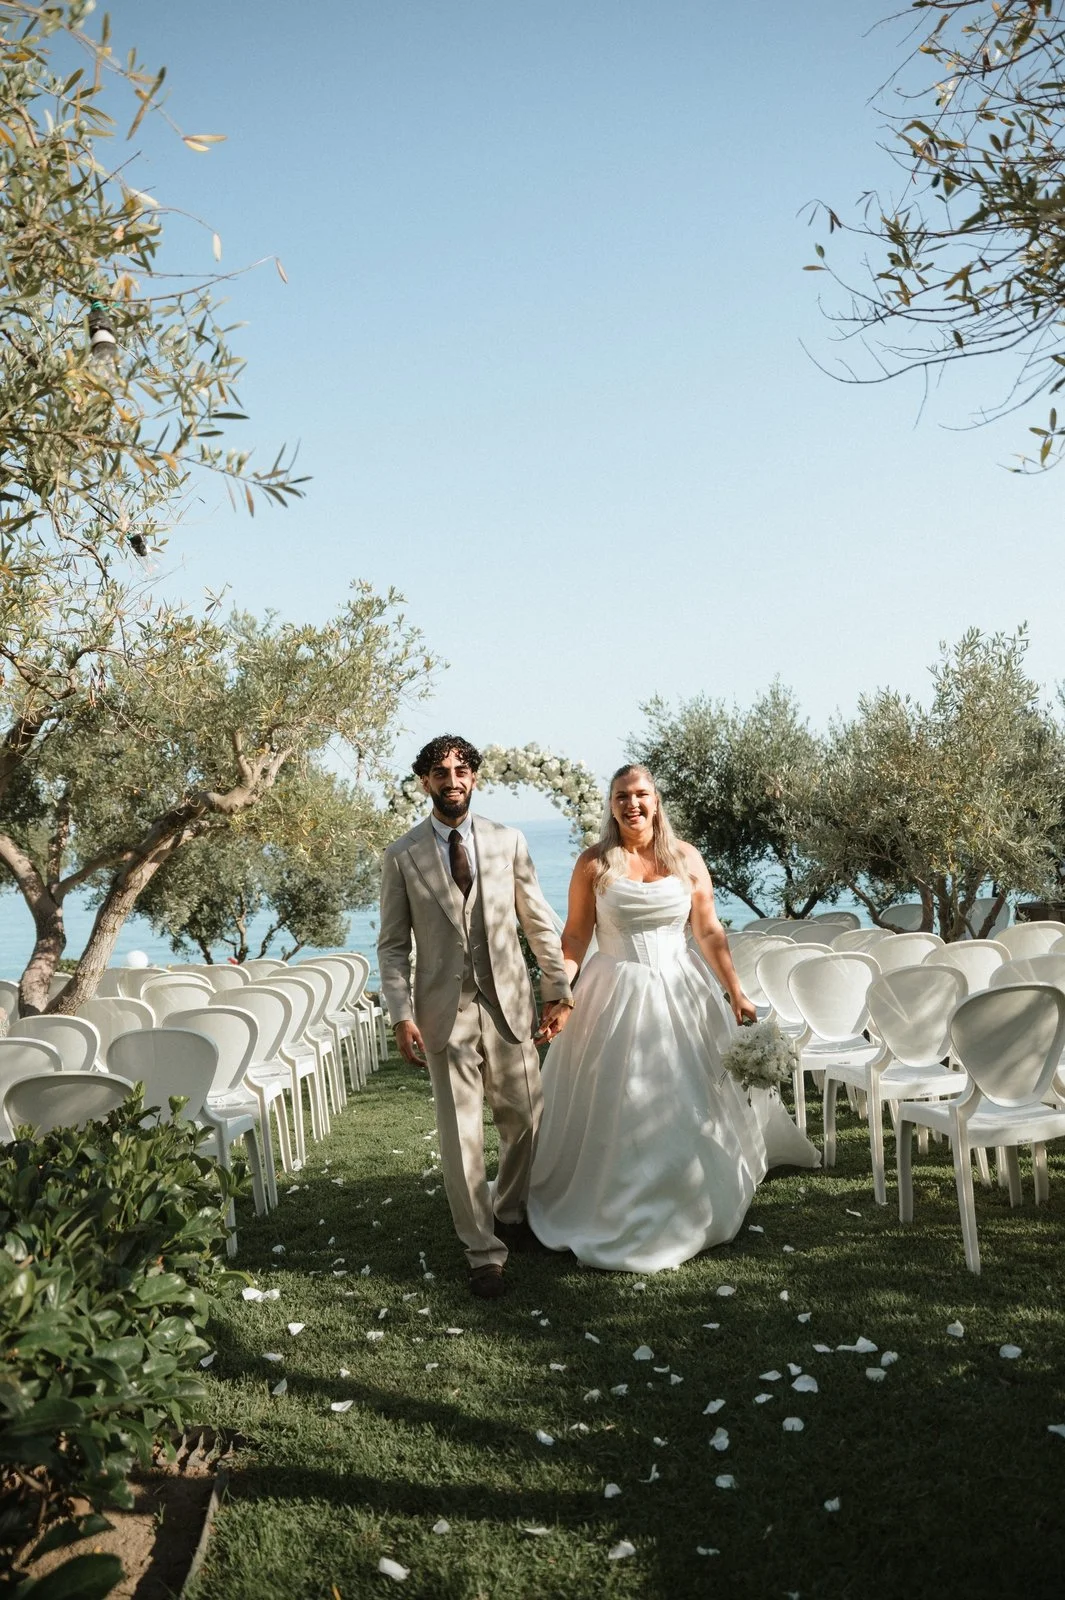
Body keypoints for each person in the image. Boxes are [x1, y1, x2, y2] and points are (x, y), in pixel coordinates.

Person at [527, 763, 818, 1272]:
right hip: (613, 988)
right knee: (623, 1095)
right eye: (621, 796)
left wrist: (735, 991)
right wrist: (560, 992)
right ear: (611, 804)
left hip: (683, 988)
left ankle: (694, 1192)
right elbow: (574, 936)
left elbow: (707, 931)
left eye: (641, 794)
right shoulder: (593, 863)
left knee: (688, 1093)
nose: (631, 804)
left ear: (656, 801)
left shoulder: (686, 858)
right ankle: (614, 1198)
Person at [378, 735, 574, 1299]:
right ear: (425, 782)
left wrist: (557, 988)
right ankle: (482, 1251)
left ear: (475, 778)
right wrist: (400, 1014)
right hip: (444, 1014)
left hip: (510, 1006)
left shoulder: (506, 841)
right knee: (462, 1135)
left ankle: (509, 1212)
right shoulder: (402, 854)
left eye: (462, 770)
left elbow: (538, 921)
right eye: (440, 772)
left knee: (525, 1122)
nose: (452, 779)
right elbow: (392, 946)